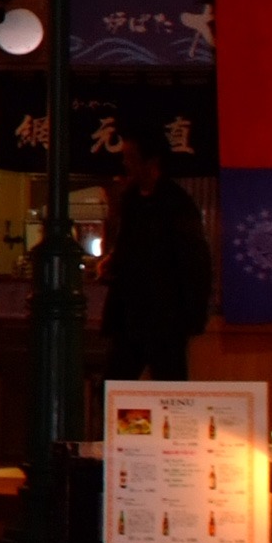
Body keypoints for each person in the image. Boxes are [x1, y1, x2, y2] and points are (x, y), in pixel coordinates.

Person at [99, 127, 211, 382]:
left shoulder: (176, 204)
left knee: (169, 395)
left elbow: (195, 263)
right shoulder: (131, 201)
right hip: (130, 317)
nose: (125, 163)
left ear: (151, 161)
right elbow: (128, 247)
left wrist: (191, 316)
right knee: (112, 390)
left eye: (131, 157)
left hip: (166, 319)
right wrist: (112, 263)